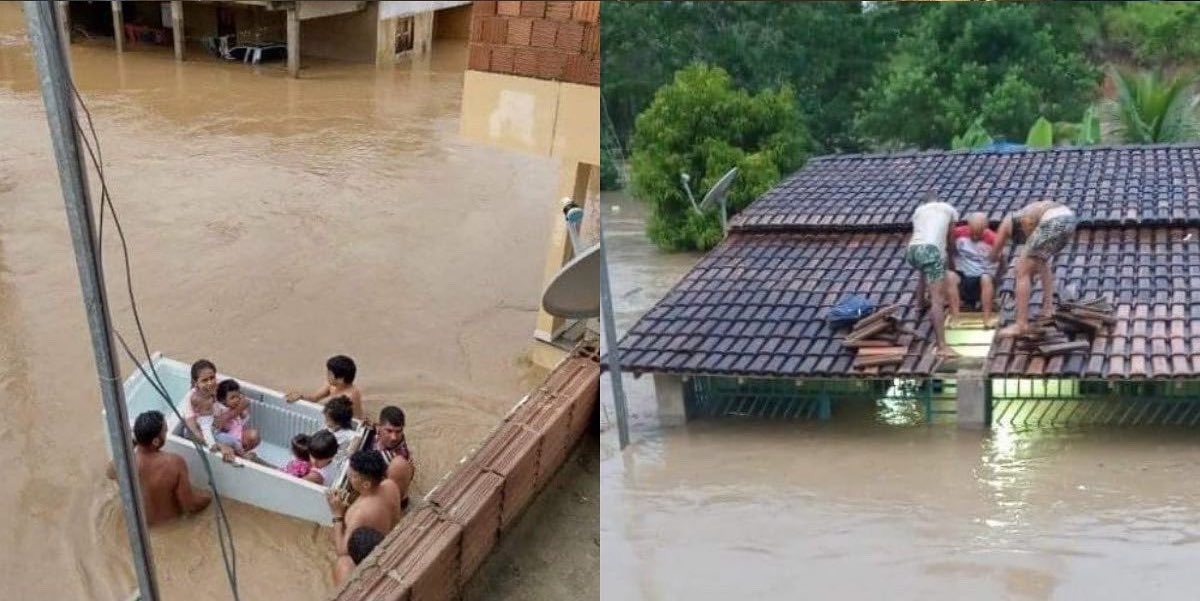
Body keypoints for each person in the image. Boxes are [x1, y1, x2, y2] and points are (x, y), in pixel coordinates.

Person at [106, 410, 211, 526]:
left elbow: (109, 473)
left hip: (139, 526)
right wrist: (209, 498)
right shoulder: (174, 463)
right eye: (165, 431)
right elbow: (190, 505)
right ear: (155, 441)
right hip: (170, 526)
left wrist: (135, 441)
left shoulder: (124, 465)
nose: (166, 433)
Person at [991, 200, 1078, 337]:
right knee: (1042, 263)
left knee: (1021, 270)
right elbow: (1038, 261)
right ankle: (1048, 309)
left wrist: (989, 259)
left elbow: (995, 251)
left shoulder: (1007, 221)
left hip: (1054, 221)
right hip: (1069, 221)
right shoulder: (1029, 220)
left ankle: (1020, 325)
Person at [327, 451, 402, 572]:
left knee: (343, 562)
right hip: (389, 538)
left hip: (371, 553)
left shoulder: (360, 513)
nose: (349, 477)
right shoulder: (390, 485)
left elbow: (342, 551)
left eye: (353, 476)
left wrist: (337, 515)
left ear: (366, 484)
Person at [906, 196, 960, 358]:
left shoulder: (918, 211)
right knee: (937, 299)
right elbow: (950, 240)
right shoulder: (949, 210)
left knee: (924, 269)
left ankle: (920, 303)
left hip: (912, 250)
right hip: (931, 251)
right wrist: (953, 261)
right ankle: (942, 345)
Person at [946, 212, 1004, 328]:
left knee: (986, 278)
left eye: (979, 234)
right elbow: (947, 244)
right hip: (962, 277)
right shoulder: (958, 233)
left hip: (981, 279)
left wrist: (996, 284)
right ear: (968, 227)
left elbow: (1001, 262)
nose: (975, 237)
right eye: (973, 233)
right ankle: (955, 318)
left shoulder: (993, 239)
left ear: (985, 229)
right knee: (949, 276)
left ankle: (986, 318)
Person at [285, 355, 365, 420]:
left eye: (330, 374)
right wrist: (301, 396)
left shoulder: (350, 396)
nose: (327, 376)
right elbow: (314, 398)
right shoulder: (332, 385)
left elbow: (355, 420)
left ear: (340, 379)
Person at [372, 405, 414, 510]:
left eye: (398, 431)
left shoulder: (398, 458)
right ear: (379, 427)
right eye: (389, 431)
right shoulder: (375, 430)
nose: (394, 437)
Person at [212, 379, 261, 462]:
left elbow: (244, 416)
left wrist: (241, 409)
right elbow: (219, 424)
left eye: (237, 396)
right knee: (234, 442)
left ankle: (242, 451)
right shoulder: (221, 409)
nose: (236, 400)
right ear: (223, 400)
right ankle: (243, 455)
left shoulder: (237, 407)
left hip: (238, 435)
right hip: (228, 438)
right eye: (232, 398)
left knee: (255, 435)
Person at [182, 359, 219, 446]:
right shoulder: (191, 398)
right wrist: (215, 445)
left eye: (212, 378)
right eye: (204, 380)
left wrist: (227, 416)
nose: (210, 383)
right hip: (200, 431)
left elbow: (243, 399)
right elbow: (193, 429)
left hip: (213, 426)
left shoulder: (217, 386)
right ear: (196, 382)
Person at [324, 396, 358, 462]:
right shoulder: (329, 427)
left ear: (339, 423)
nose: (325, 421)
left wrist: (349, 451)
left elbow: (357, 437)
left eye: (328, 420)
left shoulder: (346, 433)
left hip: (336, 460)